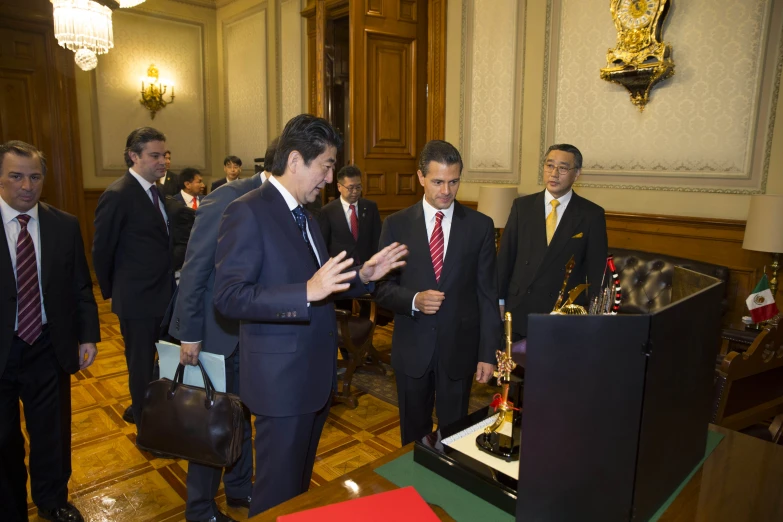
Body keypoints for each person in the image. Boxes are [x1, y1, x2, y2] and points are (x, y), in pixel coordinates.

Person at [212, 114, 408, 516]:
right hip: (281, 385)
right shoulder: (247, 211)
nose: (330, 176)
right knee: (275, 496)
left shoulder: (306, 214)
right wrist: (305, 292)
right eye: (327, 165)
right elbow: (229, 297)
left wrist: (364, 274)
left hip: (314, 378)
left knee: (299, 495)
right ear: (297, 160)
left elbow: (322, 282)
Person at [167, 139, 277, 522]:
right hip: (218, 333)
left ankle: (239, 487)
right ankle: (199, 508)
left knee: (243, 416)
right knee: (212, 422)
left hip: (259, 335)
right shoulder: (227, 198)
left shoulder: (292, 204)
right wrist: (189, 333)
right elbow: (196, 269)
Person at [375, 140, 501, 445]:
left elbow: (487, 295)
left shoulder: (480, 226)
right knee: (412, 440)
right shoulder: (396, 225)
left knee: (456, 438)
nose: (446, 190)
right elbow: (380, 289)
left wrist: (488, 354)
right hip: (412, 351)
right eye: (437, 182)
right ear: (420, 178)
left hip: (459, 352)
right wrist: (414, 300)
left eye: (454, 181)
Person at [0, 141, 99, 522]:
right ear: (2, 178)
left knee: (52, 434)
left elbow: (80, 286)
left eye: (35, 176)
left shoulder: (64, 223)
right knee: (3, 439)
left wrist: (88, 335)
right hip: (2, 351)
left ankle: (53, 500)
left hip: (47, 344)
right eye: (17, 176)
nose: (27, 185)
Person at [92, 127, 175, 427]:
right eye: (154, 156)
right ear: (133, 156)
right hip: (137, 302)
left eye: (164, 155)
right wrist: (115, 292)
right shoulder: (118, 195)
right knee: (140, 368)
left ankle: (161, 416)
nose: (163, 162)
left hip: (164, 297)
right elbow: (101, 251)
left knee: (165, 363)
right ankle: (146, 428)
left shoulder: (158, 192)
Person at [497, 143, 608, 340]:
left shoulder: (591, 215)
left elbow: (597, 272)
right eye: (549, 166)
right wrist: (498, 301)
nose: (554, 173)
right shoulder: (521, 207)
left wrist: (594, 317)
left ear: (577, 173)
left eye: (563, 168)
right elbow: (505, 258)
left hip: (562, 314)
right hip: (519, 307)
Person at [318, 165, 382, 264]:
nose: (355, 192)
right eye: (350, 188)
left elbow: (377, 239)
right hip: (341, 270)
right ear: (339, 187)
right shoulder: (327, 211)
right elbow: (323, 245)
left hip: (367, 266)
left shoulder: (370, 207)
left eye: (358, 187)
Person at [165, 168, 204, 272]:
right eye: (199, 182)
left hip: (203, 256)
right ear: (187, 184)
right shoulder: (173, 204)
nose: (203, 185)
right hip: (181, 260)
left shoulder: (207, 200)